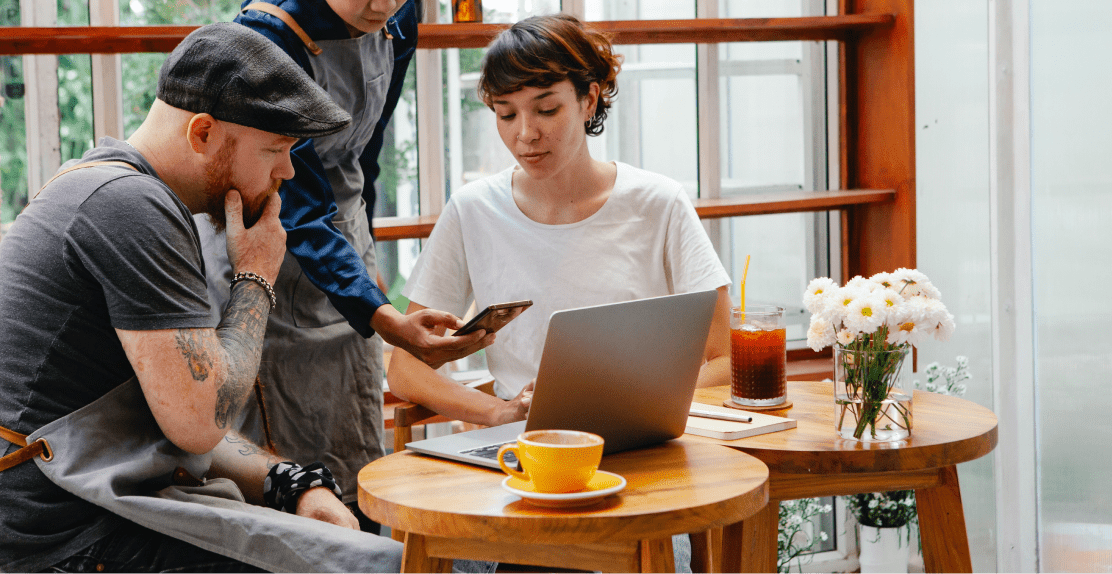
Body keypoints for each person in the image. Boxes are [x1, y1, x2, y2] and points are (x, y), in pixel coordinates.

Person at [0, 24, 403, 574]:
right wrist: (256, 276)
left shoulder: (107, 185)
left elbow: (174, 411)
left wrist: (285, 482)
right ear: (203, 133)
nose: (286, 171)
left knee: (382, 557)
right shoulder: (129, 206)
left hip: (84, 504)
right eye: (275, 150)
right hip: (59, 535)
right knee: (386, 567)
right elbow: (199, 421)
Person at [194, 0, 493, 531]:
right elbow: (302, 203)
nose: (382, 5)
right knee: (284, 442)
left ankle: (364, 543)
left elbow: (366, 151)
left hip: (345, 234)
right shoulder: (267, 35)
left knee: (353, 427)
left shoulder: (400, 17)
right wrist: (384, 316)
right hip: (275, 231)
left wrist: (365, 264)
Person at [388, 13, 733, 430]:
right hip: (524, 446)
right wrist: (497, 413)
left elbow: (726, 358)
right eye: (506, 114)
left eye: (546, 109)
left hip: (642, 437)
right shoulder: (472, 209)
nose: (526, 134)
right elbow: (405, 368)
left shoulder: (658, 203)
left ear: (588, 99)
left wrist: (639, 409)